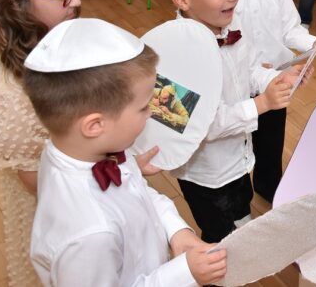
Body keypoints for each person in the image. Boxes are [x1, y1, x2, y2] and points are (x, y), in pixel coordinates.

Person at [24, 18, 227, 286]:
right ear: (95, 125)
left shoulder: (81, 149)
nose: (152, 113)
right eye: (144, 107)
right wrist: (184, 273)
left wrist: (174, 229)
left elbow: (138, 194)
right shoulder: (89, 235)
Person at [156, 0, 302, 242]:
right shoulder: (172, 55)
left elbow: (248, 69)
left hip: (238, 155)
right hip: (205, 174)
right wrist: (261, 104)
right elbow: (198, 127)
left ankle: (242, 224)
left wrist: (273, 79)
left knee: (240, 202)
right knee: (219, 234)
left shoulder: (230, 23)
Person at [0, 0, 82, 286]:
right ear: (15, 0)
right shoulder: (8, 94)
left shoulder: (47, 32)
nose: (77, 1)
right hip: (62, 203)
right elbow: (43, 185)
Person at [209, 0, 316, 203]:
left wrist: (314, 43)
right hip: (235, 89)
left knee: (271, 140)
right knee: (235, 143)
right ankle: (237, 197)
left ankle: (270, 186)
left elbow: (290, 28)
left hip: (275, 82)